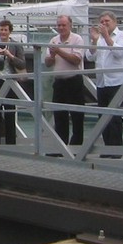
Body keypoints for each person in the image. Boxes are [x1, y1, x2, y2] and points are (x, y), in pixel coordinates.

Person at [86, 11, 123, 157]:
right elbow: (90, 56)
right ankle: (107, 148)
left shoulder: (122, 35)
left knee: (115, 117)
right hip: (102, 82)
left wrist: (106, 37)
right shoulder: (99, 38)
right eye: (102, 22)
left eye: (107, 21)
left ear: (114, 22)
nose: (104, 24)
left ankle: (116, 150)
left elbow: (120, 53)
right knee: (103, 116)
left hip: (117, 81)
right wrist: (94, 40)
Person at [44, 14, 86, 146]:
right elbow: (48, 63)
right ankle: (61, 146)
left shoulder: (77, 39)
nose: (61, 28)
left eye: (64, 25)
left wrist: (59, 51)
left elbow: (76, 60)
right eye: (59, 25)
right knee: (59, 115)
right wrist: (52, 55)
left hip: (74, 81)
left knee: (77, 115)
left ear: (70, 26)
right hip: (59, 82)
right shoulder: (53, 40)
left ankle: (77, 146)